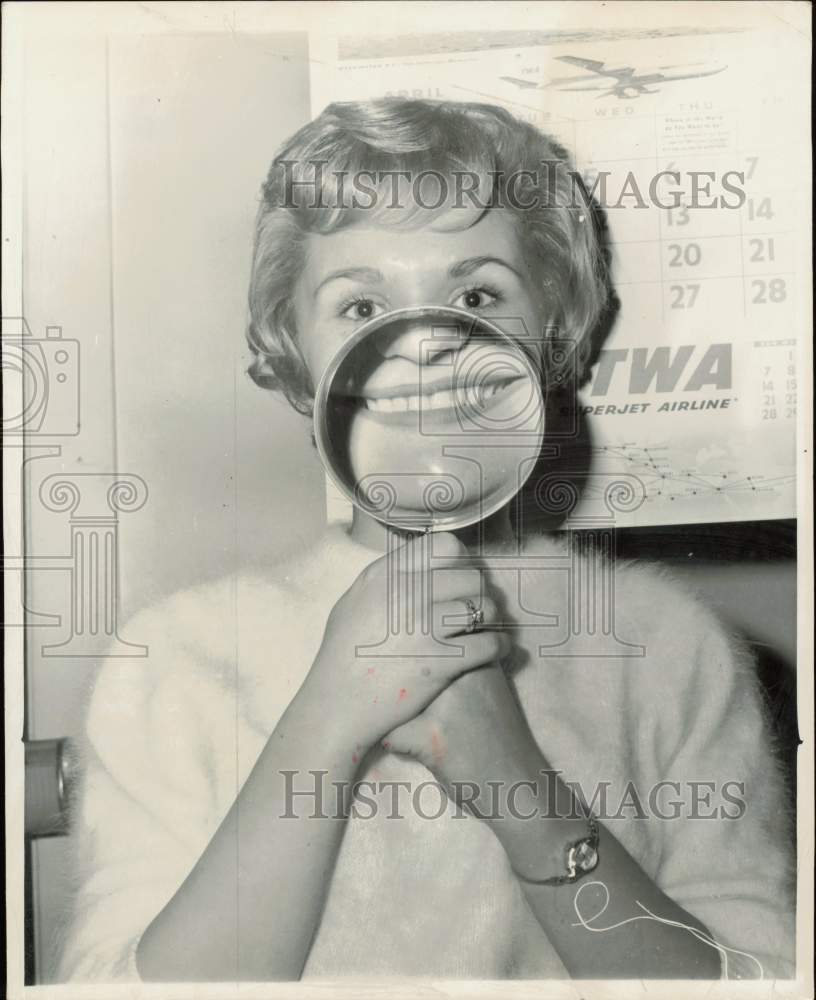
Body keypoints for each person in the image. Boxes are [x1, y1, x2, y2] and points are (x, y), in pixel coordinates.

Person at [57, 99, 794, 982]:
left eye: (477, 294)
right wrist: (326, 720)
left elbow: (761, 982)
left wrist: (513, 780)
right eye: (361, 302)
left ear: (552, 333)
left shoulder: (674, 651)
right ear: (295, 358)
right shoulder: (174, 657)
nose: (424, 347)